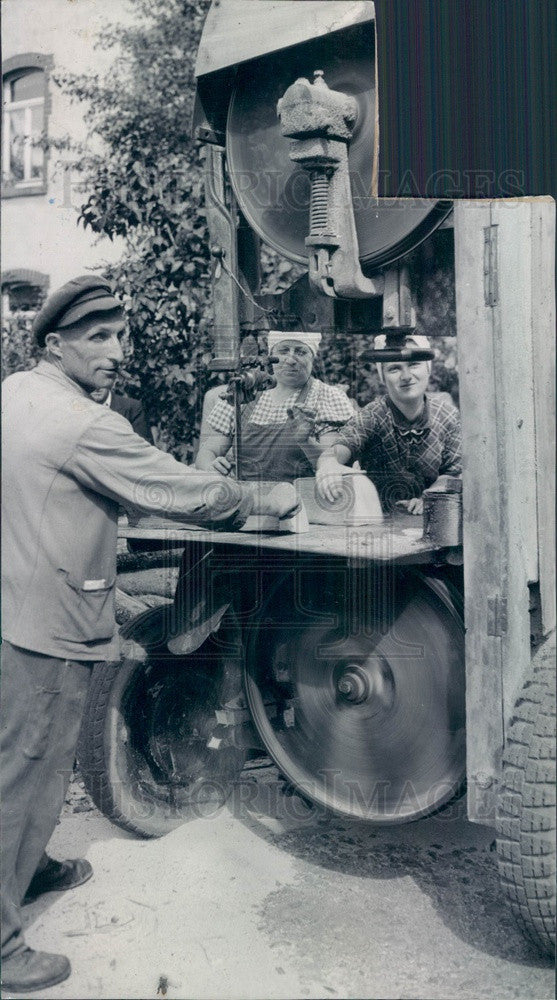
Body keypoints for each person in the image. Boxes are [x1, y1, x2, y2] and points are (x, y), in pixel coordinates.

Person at [0, 275, 298, 994]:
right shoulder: (84, 423)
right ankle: (4, 947)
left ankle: (30, 866)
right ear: (54, 343)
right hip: (49, 617)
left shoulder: (15, 393)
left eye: (120, 336)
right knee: (26, 768)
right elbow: (178, 489)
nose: (116, 352)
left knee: (24, 760)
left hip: (13, 602)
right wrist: (263, 496)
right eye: (98, 338)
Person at [316, 334, 462, 514]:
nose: (406, 376)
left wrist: (430, 496)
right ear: (382, 377)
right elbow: (339, 448)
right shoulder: (373, 415)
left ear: (428, 369)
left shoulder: (448, 417)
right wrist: (328, 463)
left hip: (433, 518)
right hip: (378, 522)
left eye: (414, 364)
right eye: (394, 369)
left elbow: (453, 473)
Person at [195, 330, 355, 482]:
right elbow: (208, 452)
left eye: (300, 352)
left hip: (303, 500)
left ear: (313, 357)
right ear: (271, 356)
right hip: (246, 498)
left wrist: (305, 440)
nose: (291, 360)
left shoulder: (327, 396)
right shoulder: (245, 392)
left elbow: (332, 463)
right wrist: (211, 466)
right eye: (284, 351)